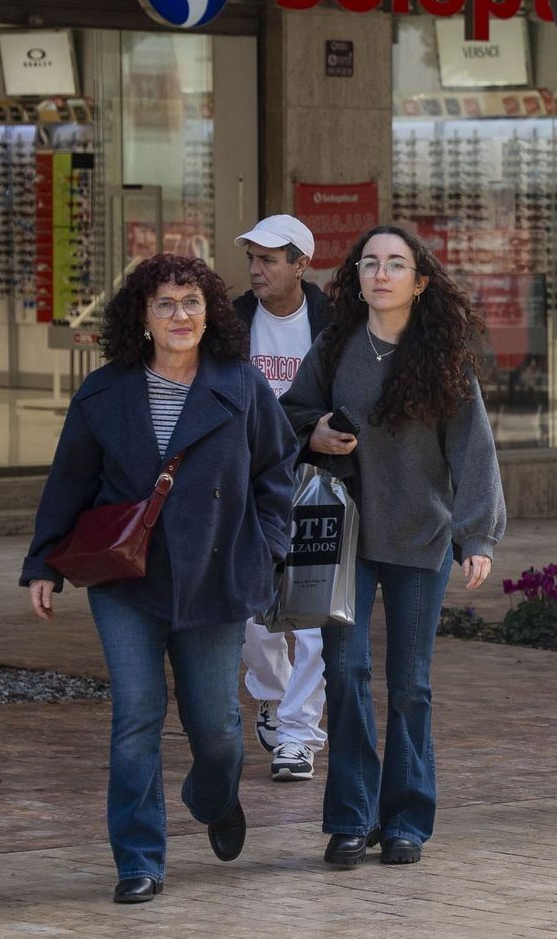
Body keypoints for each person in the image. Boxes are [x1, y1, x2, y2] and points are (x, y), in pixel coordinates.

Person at [20, 255, 296, 904]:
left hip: (216, 574)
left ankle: (213, 793)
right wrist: (42, 564)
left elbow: (277, 472)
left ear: (210, 314)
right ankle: (139, 859)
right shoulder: (103, 392)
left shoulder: (242, 385)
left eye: (192, 303)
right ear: (142, 317)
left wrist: (271, 547)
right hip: (128, 580)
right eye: (166, 304)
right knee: (136, 715)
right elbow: (70, 482)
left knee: (220, 728)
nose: (180, 316)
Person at [282, 225, 506, 868]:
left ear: (420, 280)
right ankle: (351, 818)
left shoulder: (444, 357)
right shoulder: (334, 346)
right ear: (356, 277)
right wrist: (317, 431)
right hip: (346, 536)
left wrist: (477, 535)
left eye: (396, 264)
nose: (381, 274)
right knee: (346, 674)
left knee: (410, 685)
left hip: (421, 535)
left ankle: (406, 818)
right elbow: (291, 413)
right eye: (370, 263)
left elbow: (474, 449)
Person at [232, 214, 331, 780]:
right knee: (251, 608)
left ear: (301, 264)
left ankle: (299, 734)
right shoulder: (229, 322)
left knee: (314, 614)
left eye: (269, 259)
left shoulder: (334, 325)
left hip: (316, 482)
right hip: (247, 484)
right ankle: (270, 692)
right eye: (252, 258)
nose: (256, 269)